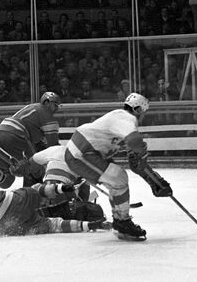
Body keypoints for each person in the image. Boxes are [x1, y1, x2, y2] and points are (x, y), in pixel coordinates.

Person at [64, 93, 173, 241]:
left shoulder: (121, 122)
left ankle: (120, 221)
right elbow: (134, 141)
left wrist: (155, 180)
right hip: (81, 152)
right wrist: (140, 150)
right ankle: (122, 222)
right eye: (143, 112)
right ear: (138, 110)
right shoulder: (126, 118)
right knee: (118, 178)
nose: (143, 117)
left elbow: (136, 165)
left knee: (117, 180)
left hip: (85, 152)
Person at [0, 163, 108, 237]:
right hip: (13, 200)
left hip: (2, 224)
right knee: (37, 190)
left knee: (52, 225)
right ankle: (62, 188)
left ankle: (88, 226)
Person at [0, 92, 61, 188]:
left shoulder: (31, 108)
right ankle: (33, 198)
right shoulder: (47, 114)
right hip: (15, 137)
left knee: (6, 179)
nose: (57, 108)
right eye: (55, 104)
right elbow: (53, 146)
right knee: (35, 169)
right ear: (46, 102)